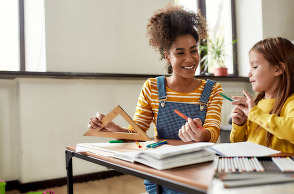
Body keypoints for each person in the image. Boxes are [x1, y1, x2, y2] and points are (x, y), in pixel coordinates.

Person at [88, 3, 223, 194]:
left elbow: (213, 131)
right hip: (162, 172)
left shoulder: (213, 90)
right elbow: (138, 133)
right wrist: (113, 128)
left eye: (193, 50)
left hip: (199, 170)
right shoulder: (152, 88)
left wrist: (201, 135)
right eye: (180, 53)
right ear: (167, 56)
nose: (190, 59)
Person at [230, 37, 294, 154]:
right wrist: (240, 124)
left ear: (277, 69)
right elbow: (239, 145)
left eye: (255, 67)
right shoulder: (257, 105)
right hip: (255, 165)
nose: (249, 73)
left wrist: (255, 114)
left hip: (280, 167)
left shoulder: (293, 101)